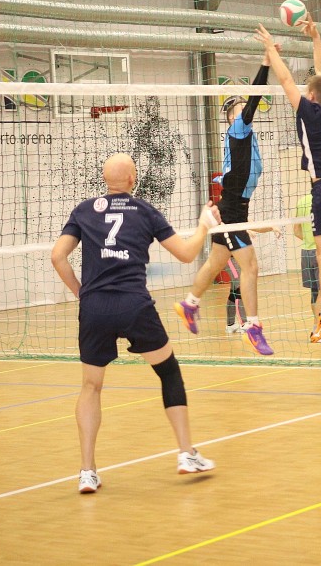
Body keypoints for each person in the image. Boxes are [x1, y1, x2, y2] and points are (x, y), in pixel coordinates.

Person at [51, 153, 220, 494]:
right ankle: (186, 454)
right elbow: (187, 254)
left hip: (95, 308)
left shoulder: (84, 210)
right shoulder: (144, 211)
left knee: (90, 387)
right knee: (168, 372)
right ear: (133, 179)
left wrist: (82, 293)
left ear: (104, 179)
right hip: (134, 305)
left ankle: (87, 472)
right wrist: (205, 225)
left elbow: (58, 256)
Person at [255, 16, 321, 343]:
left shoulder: (309, 112)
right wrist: (316, 38)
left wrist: (270, 49)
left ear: (312, 96)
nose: (304, 92)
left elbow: (285, 78)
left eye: (307, 91)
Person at [174, 51, 274, 356]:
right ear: (231, 116)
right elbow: (255, 98)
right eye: (239, 107)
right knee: (250, 266)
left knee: (216, 262)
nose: (244, 108)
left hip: (235, 206)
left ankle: (189, 304)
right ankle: (253, 327)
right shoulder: (238, 128)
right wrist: (266, 64)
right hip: (231, 210)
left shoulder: (246, 136)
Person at [293, 191, 320, 319]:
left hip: (306, 253)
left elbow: (296, 231)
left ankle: (316, 324)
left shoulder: (301, 202)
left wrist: (308, 241)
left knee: (314, 292)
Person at [224, 258, 243, 334]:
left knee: (234, 291)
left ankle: (231, 325)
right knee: (240, 288)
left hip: (234, 258)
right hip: (229, 258)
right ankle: (244, 324)